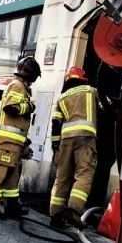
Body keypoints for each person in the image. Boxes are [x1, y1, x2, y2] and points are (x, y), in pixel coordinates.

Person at [0, 57, 41, 220]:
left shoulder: (21, 86)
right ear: (31, 75)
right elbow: (11, 109)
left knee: (12, 176)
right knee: (3, 172)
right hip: (9, 140)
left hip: (15, 141)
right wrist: (30, 106)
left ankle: (11, 206)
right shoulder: (17, 86)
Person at [49, 66, 103, 229]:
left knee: (62, 177)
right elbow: (105, 108)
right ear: (83, 78)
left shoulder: (62, 97)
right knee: (84, 174)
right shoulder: (91, 91)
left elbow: (56, 124)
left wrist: (55, 147)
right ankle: (74, 210)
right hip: (85, 139)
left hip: (65, 141)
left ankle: (55, 215)